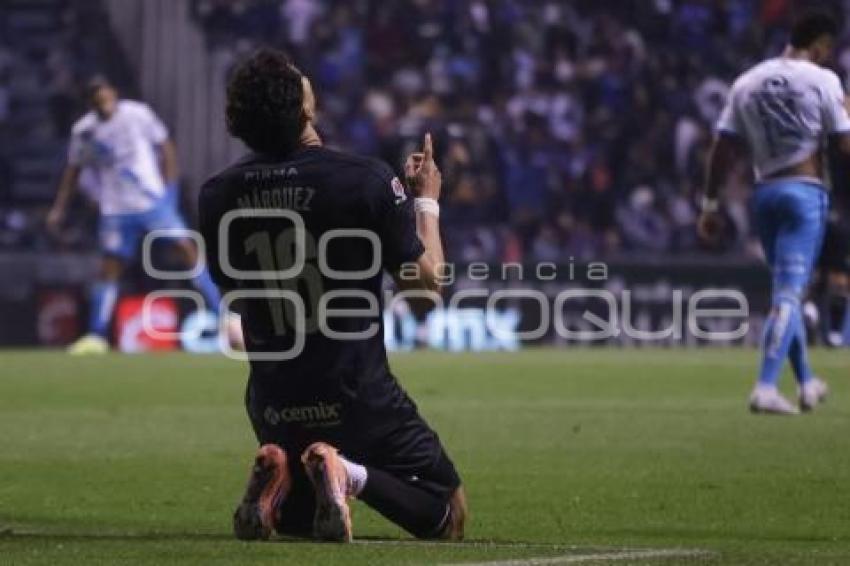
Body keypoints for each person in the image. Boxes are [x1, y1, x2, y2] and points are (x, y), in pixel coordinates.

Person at [198, 49, 466, 542]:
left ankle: (275, 480)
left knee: (299, 520)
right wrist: (424, 199)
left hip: (274, 401)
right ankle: (348, 472)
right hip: (356, 394)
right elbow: (427, 290)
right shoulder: (363, 179)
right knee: (446, 510)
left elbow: (234, 295)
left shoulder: (217, 195)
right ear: (305, 109)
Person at [699, 11, 850, 414]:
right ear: (820, 45)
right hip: (805, 194)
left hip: (764, 194)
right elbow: (845, 144)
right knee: (789, 293)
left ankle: (805, 383)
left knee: (787, 292)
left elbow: (722, 149)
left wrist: (710, 204)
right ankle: (765, 387)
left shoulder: (747, 81)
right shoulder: (823, 80)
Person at [47, 77, 226, 354]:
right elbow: (74, 170)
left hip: (152, 201)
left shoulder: (137, 114)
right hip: (116, 209)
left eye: (106, 98)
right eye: (97, 101)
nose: (104, 104)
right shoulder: (84, 131)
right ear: (90, 104)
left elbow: (166, 146)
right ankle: (97, 337)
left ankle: (226, 317)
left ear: (114, 94)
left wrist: (171, 190)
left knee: (187, 249)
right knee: (109, 268)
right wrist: (60, 207)